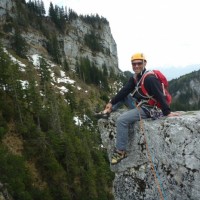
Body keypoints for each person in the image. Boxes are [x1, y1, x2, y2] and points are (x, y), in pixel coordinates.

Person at [97, 53, 179, 165]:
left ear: (145, 63)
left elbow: (160, 96)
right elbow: (124, 91)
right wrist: (111, 103)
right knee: (124, 96)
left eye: (139, 63)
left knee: (122, 120)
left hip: (150, 110)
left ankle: (121, 151)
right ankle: (107, 112)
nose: (136, 66)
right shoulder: (135, 78)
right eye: (134, 64)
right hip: (140, 104)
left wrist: (167, 112)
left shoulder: (149, 78)